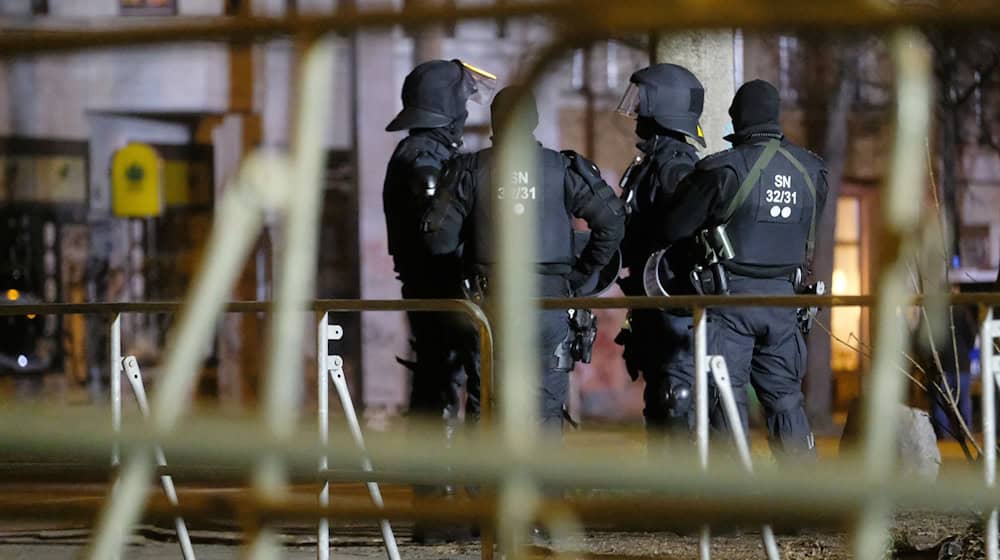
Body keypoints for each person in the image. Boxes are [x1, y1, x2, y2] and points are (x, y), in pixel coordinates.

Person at [422, 86, 625, 432]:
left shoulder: (468, 170)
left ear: (495, 122)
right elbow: (612, 221)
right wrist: (580, 277)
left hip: (492, 302)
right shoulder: (563, 169)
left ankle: (490, 484)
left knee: (490, 403)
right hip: (550, 303)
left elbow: (437, 240)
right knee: (545, 409)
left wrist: (466, 267)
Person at [662, 79, 829, 461]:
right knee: (787, 401)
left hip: (729, 304)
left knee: (726, 403)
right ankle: (804, 506)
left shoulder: (724, 169)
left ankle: (729, 511)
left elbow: (674, 228)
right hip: (785, 306)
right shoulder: (812, 171)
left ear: (738, 119)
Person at [382, 58, 495, 541]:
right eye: (461, 102)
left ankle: (454, 499)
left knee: (450, 385)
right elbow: (439, 227)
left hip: (445, 289)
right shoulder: (422, 157)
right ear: (445, 107)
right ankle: (443, 503)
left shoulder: (429, 151)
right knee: (445, 390)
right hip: (441, 288)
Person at [612, 63, 706, 436]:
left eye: (643, 102)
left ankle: (684, 491)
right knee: (660, 402)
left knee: (675, 397)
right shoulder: (653, 163)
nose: (635, 113)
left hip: (672, 306)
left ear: (663, 108)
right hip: (654, 304)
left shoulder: (675, 168)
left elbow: (680, 238)